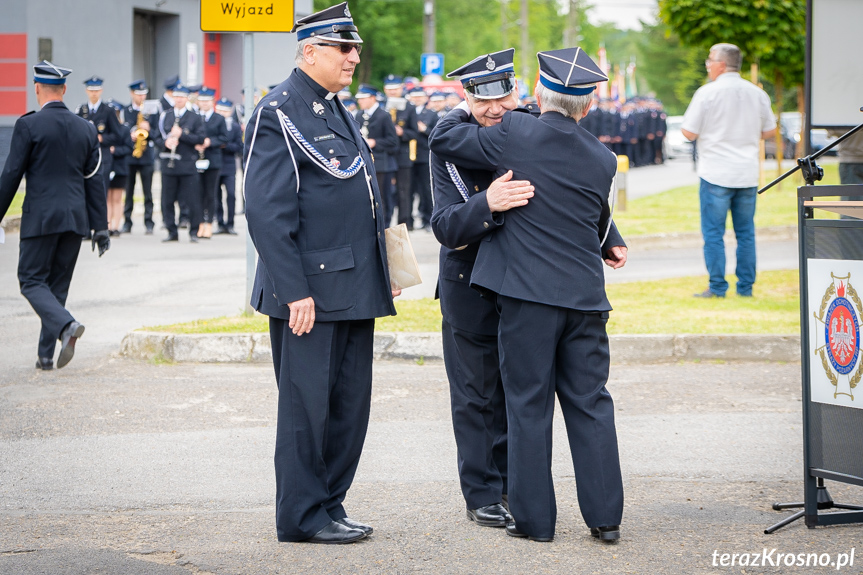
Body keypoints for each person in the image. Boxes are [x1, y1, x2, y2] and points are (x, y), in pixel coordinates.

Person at [430, 46, 628, 543]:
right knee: (591, 403)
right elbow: (580, 203)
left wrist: (465, 109)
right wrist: (611, 237)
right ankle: (605, 519)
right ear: (589, 105)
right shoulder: (602, 156)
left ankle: (536, 521)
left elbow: (445, 136)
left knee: (527, 405)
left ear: (535, 92)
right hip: (584, 298)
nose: (497, 108)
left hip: (526, 296)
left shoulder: (516, 132)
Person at [243, 2, 399, 545]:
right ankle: (302, 516)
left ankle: (329, 504)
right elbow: (267, 211)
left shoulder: (333, 106)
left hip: (355, 283)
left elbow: (360, 196)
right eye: (343, 47)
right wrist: (294, 292)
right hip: (310, 290)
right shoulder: (278, 110)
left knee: (348, 409)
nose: (353, 57)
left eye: (354, 48)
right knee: (307, 411)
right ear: (309, 51)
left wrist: (388, 266)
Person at [430, 48, 530, 530]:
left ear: (516, 90)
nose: (495, 109)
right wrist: (487, 203)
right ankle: (484, 493)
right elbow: (446, 226)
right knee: (475, 395)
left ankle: (517, 485)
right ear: (465, 96)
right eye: (482, 99)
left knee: (520, 390)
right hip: (468, 282)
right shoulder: (449, 141)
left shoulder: (531, 125)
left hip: (523, 282)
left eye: (503, 97)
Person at [0, 61, 110, 370]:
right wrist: (100, 227)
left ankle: (66, 326)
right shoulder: (85, 127)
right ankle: (45, 356)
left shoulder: (28, 125)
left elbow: (11, 176)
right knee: (56, 287)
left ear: (37, 89)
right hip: (75, 221)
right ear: (63, 90)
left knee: (32, 281)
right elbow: (94, 180)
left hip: (41, 218)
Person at [681, 43, 776, 298]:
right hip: (746, 173)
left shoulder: (707, 93)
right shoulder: (757, 93)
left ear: (721, 64)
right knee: (746, 234)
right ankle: (745, 288)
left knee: (714, 233)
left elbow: (689, 131)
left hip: (715, 172)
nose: (708, 65)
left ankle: (717, 287)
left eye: (710, 61)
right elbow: (769, 131)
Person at [153, 83, 206, 243]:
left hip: (187, 165)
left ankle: (194, 231)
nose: (179, 100)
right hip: (169, 165)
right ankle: (171, 231)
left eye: (182, 97)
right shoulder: (166, 116)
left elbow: (201, 138)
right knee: (167, 200)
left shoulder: (194, 117)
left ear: (186, 98)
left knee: (192, 200)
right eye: (176, 97)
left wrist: (182, 135)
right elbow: (156, 136)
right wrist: (166, 143)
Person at [354, 84, 399, 222]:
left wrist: (375, 142)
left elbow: (393, 141)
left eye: (363, 98)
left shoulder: (384, 115)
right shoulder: (360, 115)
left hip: (382, 163)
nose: (359, 101)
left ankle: (386, 225)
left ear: (372, 98)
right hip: (366, 163)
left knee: (384, 197)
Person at [76, 76, 123, 205]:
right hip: (86, 158)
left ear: (101, 90)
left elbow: (117, 135)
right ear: (86, 91)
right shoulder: (82, 110)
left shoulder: (108, 110)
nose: (94, 93)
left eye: (96, 90)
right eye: (91, 90)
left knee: (101, 193)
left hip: (103, 158)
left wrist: (102, 138)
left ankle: (101, 224)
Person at [123, 80, 159, 234]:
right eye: (139, 94)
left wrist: (149, 129)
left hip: (146, 157)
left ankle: (149, 222)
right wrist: (129, 134)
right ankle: (127, 222)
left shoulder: (152, 111)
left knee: (148, 192)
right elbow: (121, 132)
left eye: (144, 94)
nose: (142, 96)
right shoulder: (126, 111)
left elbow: (158, 134)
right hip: (130, 156)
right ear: (132, 94)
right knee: (128, 191)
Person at [383, 75, 418, 229]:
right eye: (389, 89)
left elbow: (414, 133)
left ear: (401, 88)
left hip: (403, 154)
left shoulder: (409, 107)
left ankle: (405, 222)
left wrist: (401, 132)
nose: (392, 92)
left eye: (395, 89)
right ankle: (384, 222)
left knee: (404, 190)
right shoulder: (380, 106)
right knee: (385, 190)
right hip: (385, 154)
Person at [194, 87, 228, 239]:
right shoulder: (194, 117)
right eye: (201, 100)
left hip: (213, 160)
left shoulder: (218, 118)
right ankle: (199, 223)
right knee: (198, 193)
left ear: (212, 102)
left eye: (207, 101)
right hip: (196, 159)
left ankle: (209, 224)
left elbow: (224, 138)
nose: (204, 103)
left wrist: (210, 142)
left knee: (210, 193)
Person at [410, 87, 438, 230]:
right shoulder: (408, 112)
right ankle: (418, 218)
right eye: (414, 96)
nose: (417, 99)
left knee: (427, 189)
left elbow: (436, 133)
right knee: (413, 190)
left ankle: (429, 219)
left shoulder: (432, 114)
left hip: (424, 155)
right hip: (409, 156)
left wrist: (424, 129)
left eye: (419, 96)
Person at [214, 97, 242, 235]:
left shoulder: (235, 127)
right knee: (216, 196)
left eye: (224, 111)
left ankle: (230, 223)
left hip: (229, 166)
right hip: (215, 165)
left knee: (231, 195)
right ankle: (220, 223)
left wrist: (224, 145)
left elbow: (239, 146)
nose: (221, 113)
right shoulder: (212, 124)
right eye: (219, 110)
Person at [106, 100, 132, 235]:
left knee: (117, 198)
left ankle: (116, 226)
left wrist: (114, 150)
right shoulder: (105, 129)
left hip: (119, 167)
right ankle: (108, 225)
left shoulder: (124, 129)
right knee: (107, 198)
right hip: (107, 167)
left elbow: (128, 148)